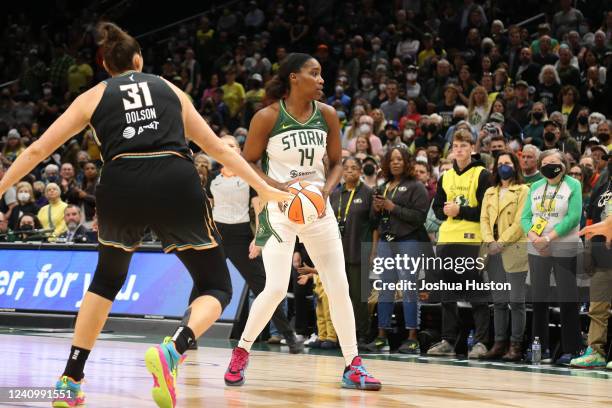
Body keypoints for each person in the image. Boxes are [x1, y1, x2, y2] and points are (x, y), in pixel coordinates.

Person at [0, 22, 290, 408]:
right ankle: (175, 349)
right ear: (139, 60)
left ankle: (70, 379)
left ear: (105, 65)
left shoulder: (93, 95)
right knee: (216, 286)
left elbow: (37, 150)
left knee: (106, 281)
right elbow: (221, 151)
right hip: (174, 177)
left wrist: (1, 186)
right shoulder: (170, 90)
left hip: (121, 182)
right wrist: (266, 188)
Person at [224, 53, 381, 391]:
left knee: (338, 283)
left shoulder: (327, 115)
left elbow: (338, 162)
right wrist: (277, 188)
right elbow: (247, 162)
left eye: (321, 73)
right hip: (278, 210)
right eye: (315, 73)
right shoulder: (266, 117)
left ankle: (353, 364)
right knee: (277, 287)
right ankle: (241, 351)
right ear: (294, 77)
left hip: (316, 209)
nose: (322, 79)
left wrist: (324, 191)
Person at [186, 135, 302, 352]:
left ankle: (290, 337)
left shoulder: (249, 178)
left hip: (241, 238)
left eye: (231, 145)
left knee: (265, 288)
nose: (227, 149)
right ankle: (188, 335)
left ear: (239, 151)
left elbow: (259, 210)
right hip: (217, 237)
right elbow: (207, 210)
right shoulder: (212, 178)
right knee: (201, 285)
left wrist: (259, 240)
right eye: (223, 145)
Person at [429, 129, 492, 359]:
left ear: (472, 149)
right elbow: (436, 208)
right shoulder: (445, 177)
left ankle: (481, 342)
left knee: (476, 293)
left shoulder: (482, 174)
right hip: (446, 238)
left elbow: (485, 212)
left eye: (464, 146)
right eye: (456, 146)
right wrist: (446, 211)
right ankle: (448, 340)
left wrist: (460, 210)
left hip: (471, 239)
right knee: (447, 294)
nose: (459, 150)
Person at [367, 146, 431, 354]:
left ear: (407, 162)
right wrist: (376, 210)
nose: (395, 162)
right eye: (391, 160)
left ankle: (412, 338)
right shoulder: (383, 186)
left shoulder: (416, 186)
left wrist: (392, 207)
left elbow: (419, 217)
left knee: (408, 288)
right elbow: (373, 221)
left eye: (399, 159)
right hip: (386, 241)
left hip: (409, 241)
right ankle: (381, 337)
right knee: (385, 288)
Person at [521, 149, 582, 365]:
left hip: (564, 246)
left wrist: (548, 239)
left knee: (567, 298)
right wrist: (534, 238)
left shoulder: (573, 185)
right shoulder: (535, 187)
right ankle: (540, 348)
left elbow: (574, 217)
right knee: (538, 300)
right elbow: (526, 217)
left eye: (554, 162)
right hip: (537, 247)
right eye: (545, 162)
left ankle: (572, 349)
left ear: (563, 164)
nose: (549, 165)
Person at [480, 152, 529, 361]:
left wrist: (501, 242)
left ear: (514, 166)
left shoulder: (523, 190)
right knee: (499, 301)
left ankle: (516, 345)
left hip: (514, 249)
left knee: (516, 301)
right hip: (492, 250)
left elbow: (521, 222)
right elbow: (483, 219)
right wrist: (490, 241)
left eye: (507, 163)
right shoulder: (490, 191)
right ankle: (499, 343)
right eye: (499, 164)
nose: (503, 167)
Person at [571, 154, 612, 370]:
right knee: (597, 308)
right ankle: (595, 352)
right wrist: (587, 252)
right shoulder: (602, 189)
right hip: (602, 257)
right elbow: (590, 223)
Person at [330, 157, 375, 347]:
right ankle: (343, 334)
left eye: (354, 168)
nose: (349, 171)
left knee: (358, 296)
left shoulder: (368, 193)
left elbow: (375, 226)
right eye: (346, 168)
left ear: (360, 172)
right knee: (340, 295)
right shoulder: (335, 194)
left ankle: (363, 334)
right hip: (338, 253)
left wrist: (373, 252)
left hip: (359, 251)